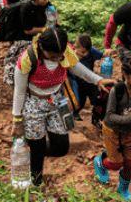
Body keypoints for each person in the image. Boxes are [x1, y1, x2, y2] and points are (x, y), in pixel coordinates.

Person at [11, 26, 113, 186]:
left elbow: (77, 68)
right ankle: (36, 184)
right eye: (53, 57)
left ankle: (33, 151)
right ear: (43, 47)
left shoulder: (65, 52)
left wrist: (98, 80)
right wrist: (17, 120)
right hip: (34, 104)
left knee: (61, 147)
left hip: (57, 100)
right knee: (37, 153)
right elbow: (19, 91)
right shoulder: (28, 59)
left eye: (60, 57)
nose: (58, 60)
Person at [93, 51, 131, 202]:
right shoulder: (117, 91)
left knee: (129, 163)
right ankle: (101, 161)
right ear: (125, 74)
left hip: (129, 130)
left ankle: (123, 188)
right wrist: (130, 118)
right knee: (116, 162)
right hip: (112, 129)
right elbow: (109, 116)